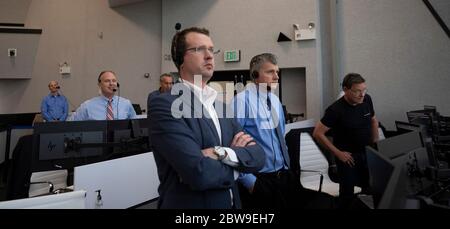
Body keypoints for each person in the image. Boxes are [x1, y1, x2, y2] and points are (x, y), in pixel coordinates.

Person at [148, 27, 265, 209]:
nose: (209, 55)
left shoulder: (221, 107)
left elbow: (258, 156)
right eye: (199, 49)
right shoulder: (165, 105)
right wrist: (238, 163)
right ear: (181, 60)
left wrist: (220, 152)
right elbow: (199, 173)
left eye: (211, 49)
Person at [232, 53, 335, 209]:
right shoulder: (241, 101)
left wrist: (288, 170)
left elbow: (280, 138)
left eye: (277, 72)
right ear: (255, 75)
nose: (276, 76)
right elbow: (231, 145)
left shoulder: (275, 100)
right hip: (259, 179)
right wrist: (249, 181)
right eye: (270, 72)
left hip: (284, 176)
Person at [313, 72, 379, 208]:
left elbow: (373, 121)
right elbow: (318, 133)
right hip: (348, 157)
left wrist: (376, 144)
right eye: (357, 91)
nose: (362, 95)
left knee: (369, 190)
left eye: (364, 90)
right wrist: (338, 153)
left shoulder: (367, 100)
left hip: (367, 152)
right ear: (345, 90)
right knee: (347, 195)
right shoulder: (335, 110)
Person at [72, 71, 136, 121]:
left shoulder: (126, 104)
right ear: (99, 84)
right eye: (107, 81)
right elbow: (73, 126)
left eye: (114, 81)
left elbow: (135, 125)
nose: (111, 83)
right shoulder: (87, 106)